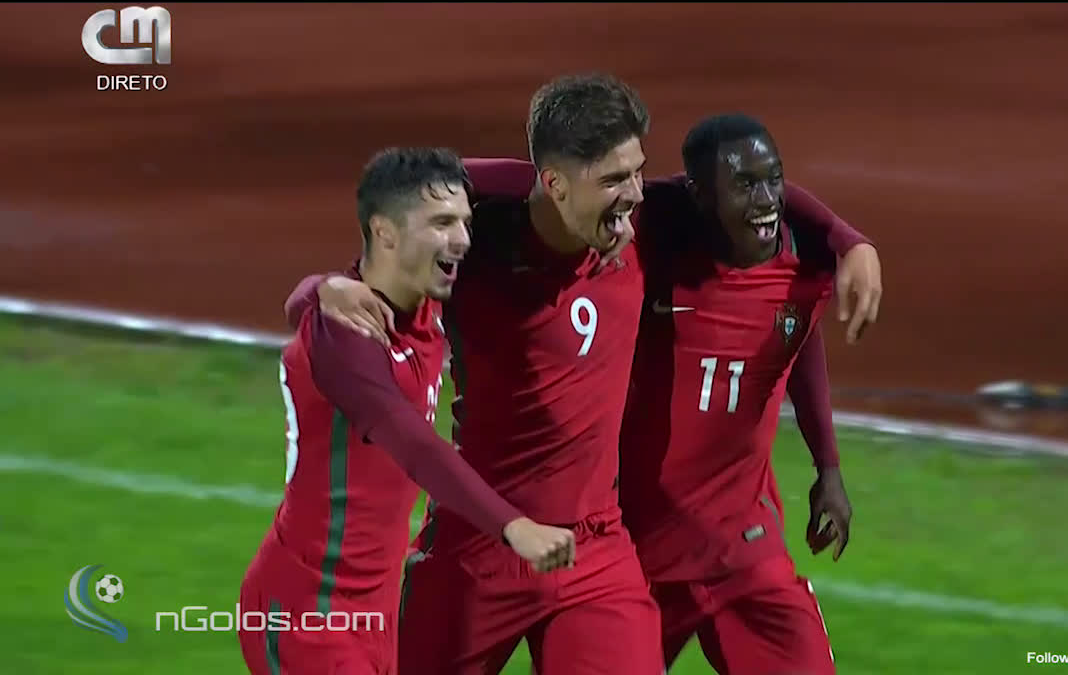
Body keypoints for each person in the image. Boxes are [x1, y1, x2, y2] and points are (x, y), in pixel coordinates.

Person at [282, 73, 881, 674]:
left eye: (637, 173)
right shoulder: (478, 248)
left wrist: (849, 239)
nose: (637, 195)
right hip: (477, 546)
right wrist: (321, 287)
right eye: (615, 180)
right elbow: (405, 226)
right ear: (553, 185)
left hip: (594, 551)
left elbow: (757, 190)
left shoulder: (640, 231)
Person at [238, 147, 575, 675]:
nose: (463, 239)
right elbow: (410, 442)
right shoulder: (344, 335)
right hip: (308, 609)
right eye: (441, 223)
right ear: (385, 232)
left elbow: (529, 183)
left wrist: (583, 186)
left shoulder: (423, 299)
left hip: (378, 613)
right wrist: (514, 527)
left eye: (464, 220)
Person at [619, 113, 851, 673]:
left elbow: (798, 337)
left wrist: (829, 467)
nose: (767, 200)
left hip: (742, 545)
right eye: (744, 185)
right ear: (700, 194)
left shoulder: (803, 270)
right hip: (634, 552)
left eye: (774, 179)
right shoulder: (650, 256)